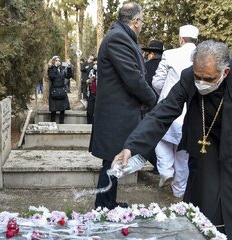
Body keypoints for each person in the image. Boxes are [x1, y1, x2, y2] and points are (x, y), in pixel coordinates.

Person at [113, 40, 232, 239]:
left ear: (225, 72)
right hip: (206, 138)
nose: (201, 83)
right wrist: (132, 146)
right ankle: (201, 230)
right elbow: (164, 111)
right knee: (204, 189)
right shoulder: (189, 77)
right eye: (198, 77)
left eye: (208, 78)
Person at [90, 2, 157, 210]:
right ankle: (102, 207)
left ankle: (108, 203)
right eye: (142, 21)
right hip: (116, 115)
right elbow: (133, 78)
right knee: (111, 161)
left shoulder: (121, 36)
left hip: (118, 112)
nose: (142, 25)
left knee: (115, 160)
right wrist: (153, 100)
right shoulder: (118, 38)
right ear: (136, 21)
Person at [151, 25, 199, 198]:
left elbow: (157, 82)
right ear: (196, 40)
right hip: (191, 111)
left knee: (160, 139)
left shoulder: (170, 54)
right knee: (183, 153)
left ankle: (165, 170)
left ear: (181, 39)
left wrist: (163, 94)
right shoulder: (202, 56)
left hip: (169, 106)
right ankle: (179, 191)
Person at [140, 39, 164, 173]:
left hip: (147, 106)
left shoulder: (145, 66)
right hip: (164, 106)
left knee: (147, 135)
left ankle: (150, 162)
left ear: (150, 53)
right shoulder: (167, 66)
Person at [48, 56, 72, 124]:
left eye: (59, 60)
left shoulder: (63, 69)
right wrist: (54, 67)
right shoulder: (51, 69)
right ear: (53, 62)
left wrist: (69, 66)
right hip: (54, 91)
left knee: (62, 108)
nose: (58, 61)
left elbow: (69, 76)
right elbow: (51, 76)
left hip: (62, 90)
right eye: (56, 60)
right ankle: (52, 123)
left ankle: (62, 122)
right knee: (53, 109)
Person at [86, 58, 97, 124]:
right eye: (94, 64)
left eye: (96, 64)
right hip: (91, 92)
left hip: (100, 94)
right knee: (90, 110)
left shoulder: (102, 71)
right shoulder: (91, 71)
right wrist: (91, 79)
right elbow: (87, 81)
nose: (95, 65)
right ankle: (89, 124)